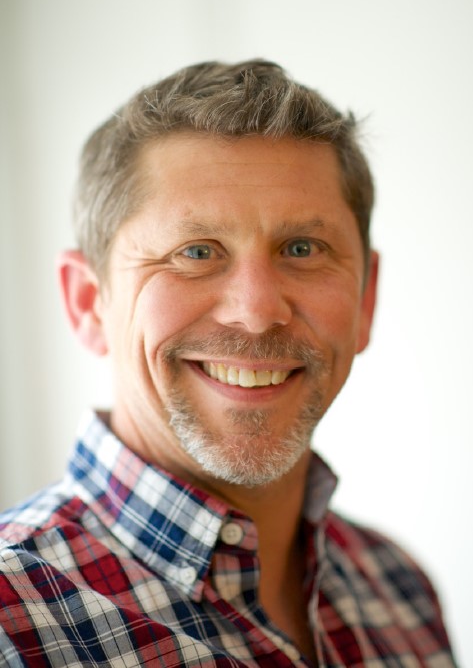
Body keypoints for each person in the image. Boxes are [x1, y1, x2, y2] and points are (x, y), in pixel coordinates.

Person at [0, 60, 456, 667]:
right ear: (88, 303)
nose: (257, 311)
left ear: (366, 299)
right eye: (195, 251)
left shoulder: (401, 590)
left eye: (302, 248)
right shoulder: (13, 618)